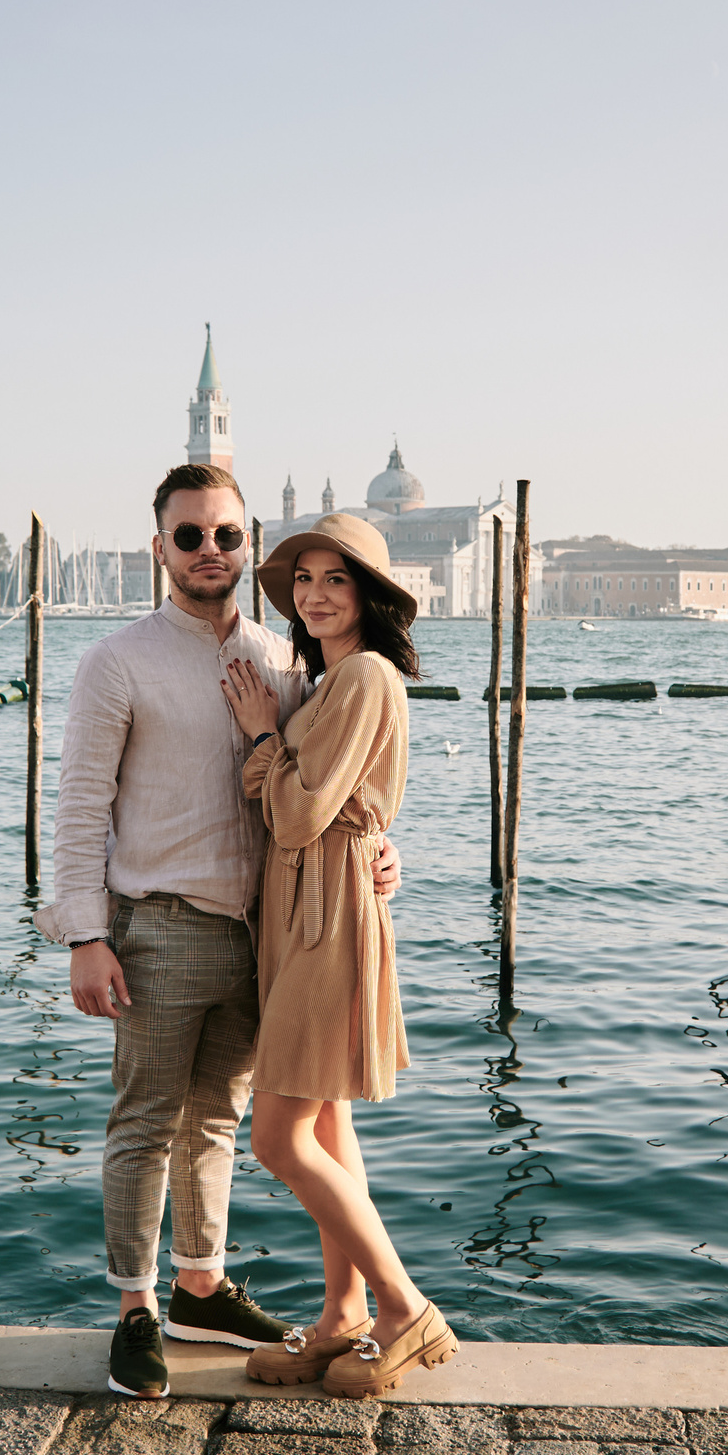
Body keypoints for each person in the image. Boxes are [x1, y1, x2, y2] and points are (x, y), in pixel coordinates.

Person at [38, 464, 404, 1401]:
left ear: (248, 547)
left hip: (268, 938)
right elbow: (80, 804)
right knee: (145, 1121)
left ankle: (198, 1286)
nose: (210, 550)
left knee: (219, 1120)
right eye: (190, 535)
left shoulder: (290, 659)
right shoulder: (117, 660)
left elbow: (324, 788)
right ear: (158, 547)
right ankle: (132, 1307)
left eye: (227, 535)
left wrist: (380, 852)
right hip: (155, 925)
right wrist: (85, 931)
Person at [218, 512, 455, 1401]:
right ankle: (340, 1314)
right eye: (305, 579)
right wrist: (276, 752)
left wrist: (258, 736)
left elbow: (298, 812)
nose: (315, 594)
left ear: (370, 596)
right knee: (325, 1126)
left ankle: (403, 1307)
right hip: (305, 906)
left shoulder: (363, 675)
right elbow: (299, 797)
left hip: (325, 913)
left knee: (278, 1135)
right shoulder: (324, 683)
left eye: (335, 579)